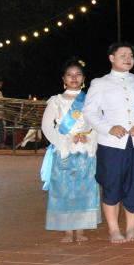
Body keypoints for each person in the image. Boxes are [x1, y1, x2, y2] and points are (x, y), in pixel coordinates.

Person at [84, 42, 134, 243]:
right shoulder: (100, 83)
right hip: (111, 144)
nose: (128, 59)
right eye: (123, 55)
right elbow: (89, 112)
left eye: (130, 55)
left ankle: (131, 228)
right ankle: (113, 229)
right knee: (112, 183)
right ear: (111, 58)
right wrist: (108, 128)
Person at [40, 58, 100, 242]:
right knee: (63, 190)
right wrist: (65, 141)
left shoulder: (90, 100)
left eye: (78, 74)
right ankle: (67, 230)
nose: (74, 78)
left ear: (84, 78)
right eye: (69, 75)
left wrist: (89, 138)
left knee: (85, 189)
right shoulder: (56, 101)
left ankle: (80, 230)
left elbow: (98, 124)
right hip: (64, 152)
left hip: (86, 151)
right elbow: (46, 127)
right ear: (63, 79)